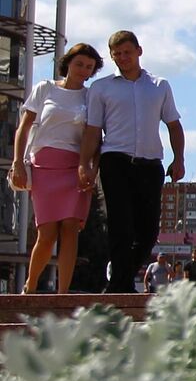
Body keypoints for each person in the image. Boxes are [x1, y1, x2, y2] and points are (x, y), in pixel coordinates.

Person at [77, 31, 184, 293]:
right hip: (115, 161)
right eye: (117, 54)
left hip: (150, 164)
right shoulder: (101, 88)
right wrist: (85, 164)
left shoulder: (159, 86)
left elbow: (173, 125)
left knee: (147, 234)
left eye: (127, 52)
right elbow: (92, 131)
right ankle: (119, 289)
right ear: (112, 56)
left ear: (139, 51)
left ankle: (118, 280)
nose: (123, 58)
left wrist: (178, 159)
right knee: (120, 226)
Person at [8, 42, 102, 294]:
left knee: (70, 229)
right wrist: (17, 162)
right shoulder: (45, 88)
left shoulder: (91, 96)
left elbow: (96, 138)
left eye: (89, 67)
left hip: (76, 168)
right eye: (79, 64)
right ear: (68, 63)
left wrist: (92, 169)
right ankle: (30, 285)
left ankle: (62, 294)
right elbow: (23, 128)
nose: (83, 70)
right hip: (44, 166)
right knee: (47, 232)